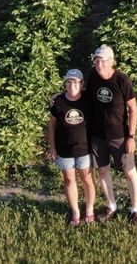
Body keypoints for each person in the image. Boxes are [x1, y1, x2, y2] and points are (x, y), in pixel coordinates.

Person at [86, 44, 137, 223]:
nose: (99, 64)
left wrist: (131, 136)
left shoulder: (122, 80)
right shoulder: (93, 77)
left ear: (112, 62)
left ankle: (135, 208)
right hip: (98, 136)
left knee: (129, 171)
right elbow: (84, 97)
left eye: (102, 61)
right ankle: (112, 205)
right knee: (103, 171)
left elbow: (133, 108)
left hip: (120, 136)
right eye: (97, 61)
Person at [48, 69, 95, 227]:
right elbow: (52, 125)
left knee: (87, 179)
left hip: (84, 149)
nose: (71, 85)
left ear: (81, 84)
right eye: (69, 81)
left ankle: (89, 210)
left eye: (75, 82)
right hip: (64, 150)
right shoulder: (58, 101)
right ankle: (75, 212)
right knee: (69, 179)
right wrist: (53, 148)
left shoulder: (88, 99)